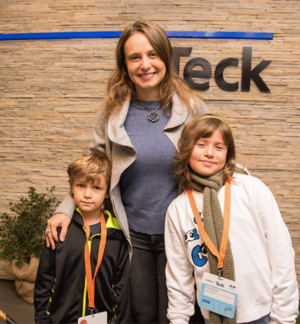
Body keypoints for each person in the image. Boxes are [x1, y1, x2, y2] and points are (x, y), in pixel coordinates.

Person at [45, 20, 209, 323]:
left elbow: (214, 161)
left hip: (181, 233)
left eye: (152, 54)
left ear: (166, 57)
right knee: (141, 314)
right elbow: (94, 165)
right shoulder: (112, 112)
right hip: (132, 234)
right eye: (135, 57)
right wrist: (66, 209)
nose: (145, 64)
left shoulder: (193, 107)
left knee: (179, 315)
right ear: (125, 64)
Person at [164, 113, 299, 324]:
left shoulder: (251, 189)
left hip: (262, 313)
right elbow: (178, 275)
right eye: (201, 144)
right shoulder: (178, 209)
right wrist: (178, 319)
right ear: (187, 149)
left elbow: (281, 254)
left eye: (219, 147)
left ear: (228, 153)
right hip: (212, 315)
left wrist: (283, 317)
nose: (209, 153)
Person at [34, 151, 130, 324]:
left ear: (107, 192)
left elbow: (122, 287)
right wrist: (42, 319)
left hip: (103, 319)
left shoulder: (116, 234)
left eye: (96, 188)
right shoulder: (60, 229)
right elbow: (44, 279)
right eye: (80, 185)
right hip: (61, 318)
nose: (87, 194)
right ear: (71, 188)